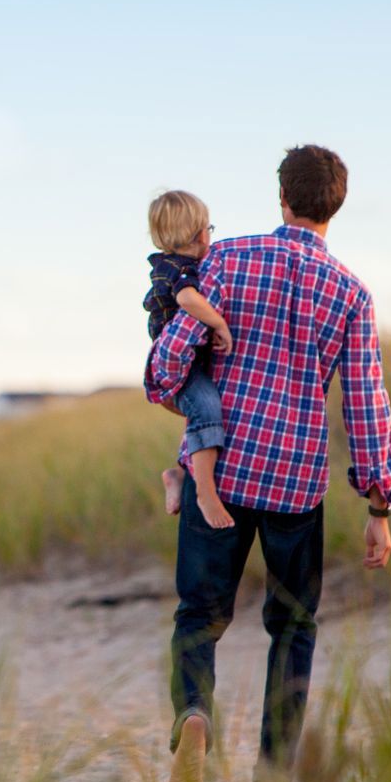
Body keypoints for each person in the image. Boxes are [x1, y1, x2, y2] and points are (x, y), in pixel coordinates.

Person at [144, 144, 391, 782]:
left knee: (198, 617)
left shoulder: (226, 258)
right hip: (296, 481)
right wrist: (378, 509)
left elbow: (169, 360)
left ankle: (194, 716)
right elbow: (366, 401)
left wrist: (176, 393)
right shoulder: (352, 293)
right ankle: (275, 770)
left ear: (281, 197)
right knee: (293, 626)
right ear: (335, 206)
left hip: (222, 471)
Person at [143, 190, 237, 529]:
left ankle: (179, 474)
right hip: (178, 366)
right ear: (199, 234)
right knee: (207, 407)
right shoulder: (178, 269)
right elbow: (187, 300)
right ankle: (205, 493)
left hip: (187, 361)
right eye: (209, 228)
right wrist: (219, 322)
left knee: (203, 413)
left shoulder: (171, 264)